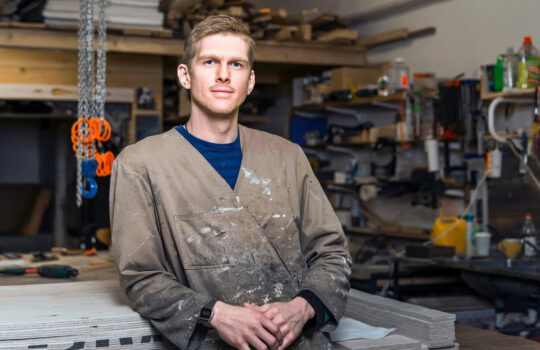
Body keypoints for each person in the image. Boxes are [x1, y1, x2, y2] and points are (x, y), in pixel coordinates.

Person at [110, 15, 351, 350]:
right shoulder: (140, 165)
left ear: (249, 81)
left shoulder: (287, 157)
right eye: (210, 61)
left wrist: (302, 307)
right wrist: (217, 314)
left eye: (236, 64)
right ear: (185, 75)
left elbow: (332, 253)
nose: (223, 74)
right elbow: (141, 277)